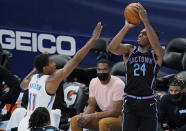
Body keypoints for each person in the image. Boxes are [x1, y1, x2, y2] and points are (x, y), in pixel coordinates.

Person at [14, 22, 102, 131]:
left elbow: (23, 85)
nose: (54, 64)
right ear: (45, 68)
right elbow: (76, 60)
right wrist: (93, 39)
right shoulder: (51, 80)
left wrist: (35, 69)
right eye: (51, 62)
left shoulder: (33, 78)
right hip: (39, 126)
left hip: (25, 123)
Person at [108, 3, 165, 131]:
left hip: (148, 102)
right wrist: (126, 27)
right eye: (139, 33)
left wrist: (145, 21)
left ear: (151, 38)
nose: (140, 35)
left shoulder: (157, 54)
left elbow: (156, 46)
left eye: (144, 34)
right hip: (130, 102)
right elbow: (112, 48)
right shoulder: (130, 50)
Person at [70, 59, 125, 131]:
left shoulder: (118, 84)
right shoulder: (93, 82)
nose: (101, 72)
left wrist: (92, 116)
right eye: (99, 70)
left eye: (104, 69)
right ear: (96, 70)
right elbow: (91, 106)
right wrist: (84, 116)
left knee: (104, 123)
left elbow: (115, 112)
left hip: (121, 118)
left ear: (110, 70)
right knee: (75, 120)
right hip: (103, 115)